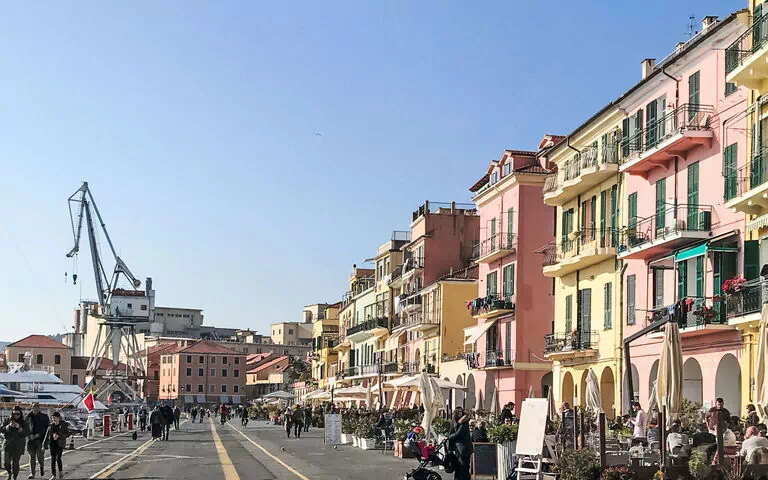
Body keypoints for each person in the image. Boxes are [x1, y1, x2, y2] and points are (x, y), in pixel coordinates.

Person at [2, 406, 28, 480]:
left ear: (20, 414)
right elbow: (1, 429)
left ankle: (15, 477)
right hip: (8, 443)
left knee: (15, 463)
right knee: (6, 462)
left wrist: (19, 427)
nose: (16, 415)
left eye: (18, 414)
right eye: (14, 414)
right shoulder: (7, 420)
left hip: (18, 444)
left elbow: (26, 433)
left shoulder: (23, 422)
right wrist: (8, 427)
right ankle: (9, 472)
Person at [26, 403, 50, 479]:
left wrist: (39, 434)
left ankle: (41, 466)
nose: (35, 408)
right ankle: (32, 473)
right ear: (31, 407)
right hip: (31, 440)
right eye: (34, 407)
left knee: (40, 456)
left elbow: (47, 428)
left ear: (39, 408)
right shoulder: (28, 417)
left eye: (37, 407)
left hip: (40, 440)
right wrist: (29, 435)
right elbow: (25, 427)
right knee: (31, 457)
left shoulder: (44, 417)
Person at [43, 412, 69, 480]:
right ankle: (53, 475)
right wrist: (44, 445)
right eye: (52, 418)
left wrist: (59, 436)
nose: (53, 419)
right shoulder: (50, 425)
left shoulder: (63, 425)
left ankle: (60, 472)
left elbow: (67, 434)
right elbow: (47, 435)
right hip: (52, 443)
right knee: (53, 459)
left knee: (58, 458)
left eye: (54, 418)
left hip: (60, 443)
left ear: (58, 418)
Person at [447, 412, 473, 480]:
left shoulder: (464, 424)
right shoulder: (461, 423)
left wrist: (449, 437)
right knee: (462, 466)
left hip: (463, 449)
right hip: (462, 448)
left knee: (462, 466)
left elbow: (458, 434)